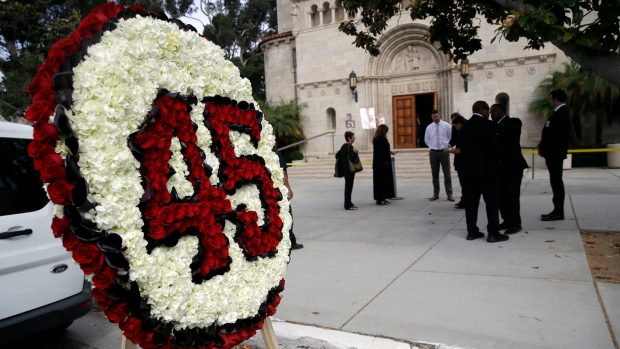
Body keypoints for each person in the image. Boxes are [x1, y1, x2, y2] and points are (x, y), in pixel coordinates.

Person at [457, 101, 508, 243]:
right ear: (481, 110)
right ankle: (493, 232)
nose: (489, 114)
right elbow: (496, 148)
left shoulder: (464, 127)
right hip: (486, 171)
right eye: (488, 110)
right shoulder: (488, 125)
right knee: (491, 202)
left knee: (471, 203)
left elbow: (460, 149)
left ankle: (472, 231)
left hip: (468, 171)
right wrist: (499, 161)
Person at [490, 104, 528, 234]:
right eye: (490, 111)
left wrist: (490, 125)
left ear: (502, 111)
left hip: (513, 166)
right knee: (501, 196)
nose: (492, 113)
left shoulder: (513, 122)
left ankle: (516, 223)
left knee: (511, 195)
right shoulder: (492, 126)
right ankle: (506, 220)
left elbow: (510, 131)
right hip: (498, 167)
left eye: (494, 110)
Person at [538, 90, 571, 221]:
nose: (549, 100)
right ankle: (557, 210)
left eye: (551, 98)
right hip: (553, 153)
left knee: (556, 182)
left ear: (556, 99)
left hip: (555, 153)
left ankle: (558, 212)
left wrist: (543, 147)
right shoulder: (558, 113)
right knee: (555, 181)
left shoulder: (561, 113)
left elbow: (553, 135)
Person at [275, 146, 304, 250]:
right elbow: (283, 173)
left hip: (271, 190)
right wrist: (288, 188)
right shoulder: (276, 154)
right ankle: (290, 241)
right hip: (280, 190)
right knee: (287, 214)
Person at [424, 109, 453, 201]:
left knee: (447, 174)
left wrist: (446, 146)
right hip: (433, 152)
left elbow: (451, 137)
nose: (435, 118)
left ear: (439, 116)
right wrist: (432, 146)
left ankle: (449, 194)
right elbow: (427, 139)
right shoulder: (429, 127)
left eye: (436, 116)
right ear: (431, 118)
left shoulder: (446, 126)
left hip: (444, 152)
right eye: (433, 117)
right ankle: (436, 193)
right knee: (435, 174)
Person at [372, 124, 397, 205]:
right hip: (382, 163)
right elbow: (383, 150)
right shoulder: (381, 138)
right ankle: (381, 199)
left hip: (378, 163)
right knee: (382, 181)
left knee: (379, 181)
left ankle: (379, 198)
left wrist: (390, 152)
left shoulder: (376, 138)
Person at [446, 113, 466, 209]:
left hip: (464, 160)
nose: (455, 127)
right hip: (460, 161)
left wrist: (447, 150)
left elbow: (459, 150)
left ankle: (465, 200)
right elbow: (453, 140)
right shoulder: (456, 130)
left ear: (459, 123)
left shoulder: (465, 132)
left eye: (455, 124)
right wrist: (449, 145)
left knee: (465, 182)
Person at [337, 131, 360, 210]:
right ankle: (347, 205)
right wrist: (356, 153)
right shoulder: (350, 147)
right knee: (348, 187)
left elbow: (337, 155)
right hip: (350, 170)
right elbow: (352, 157)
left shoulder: (343, 146)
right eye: (353, 137)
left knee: (348, 187)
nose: (354, 138)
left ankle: (349, 203)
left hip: (345, 170)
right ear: (349, 138)